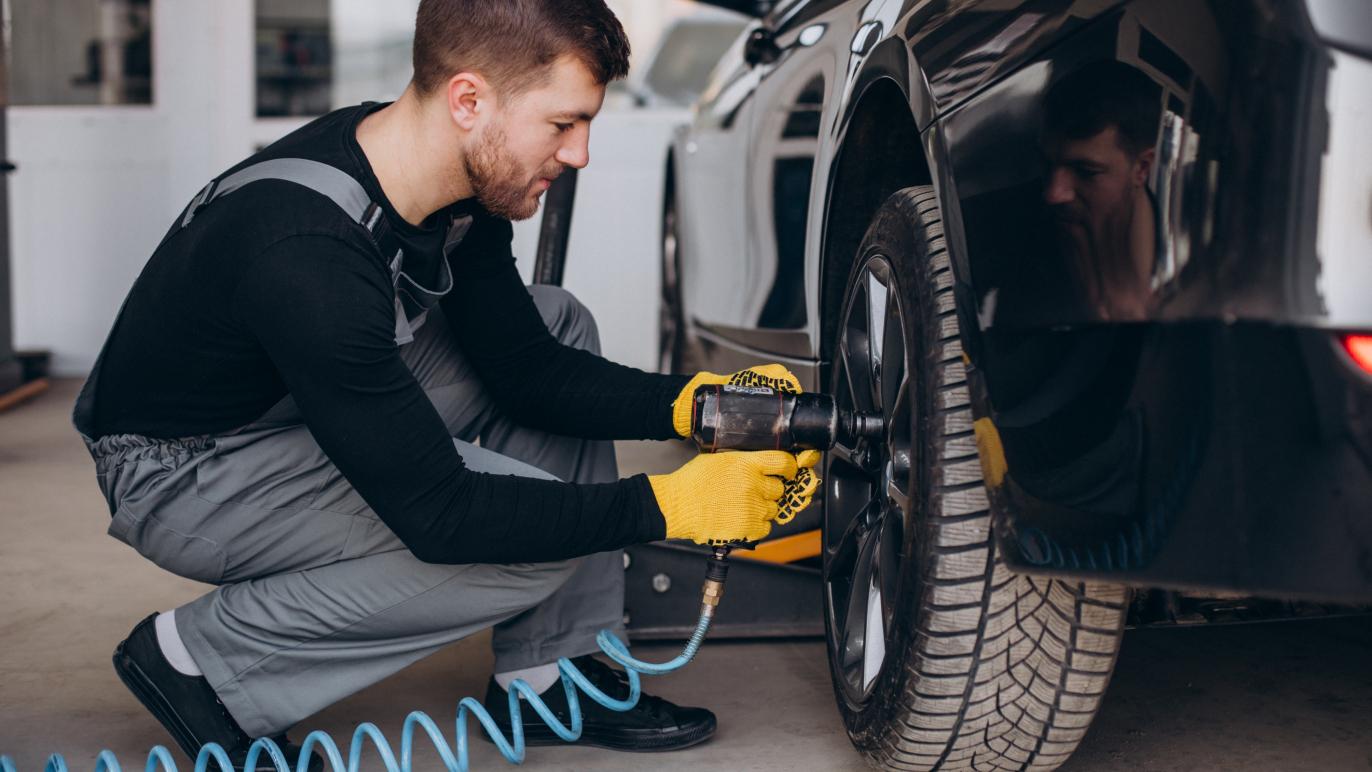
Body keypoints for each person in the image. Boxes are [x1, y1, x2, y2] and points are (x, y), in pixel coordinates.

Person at [71, 1, 819, 768]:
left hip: (283, 409)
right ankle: (203, 662)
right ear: (469, 100)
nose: (581, 153)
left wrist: (697, 404)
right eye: (562, 124)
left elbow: (526, 368)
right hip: (183, 469)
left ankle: (547, 671)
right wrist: (675, 505)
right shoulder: (307, 253)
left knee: (554, 319)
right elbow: (442, 514)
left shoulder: (449, 179)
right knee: (525, 549)